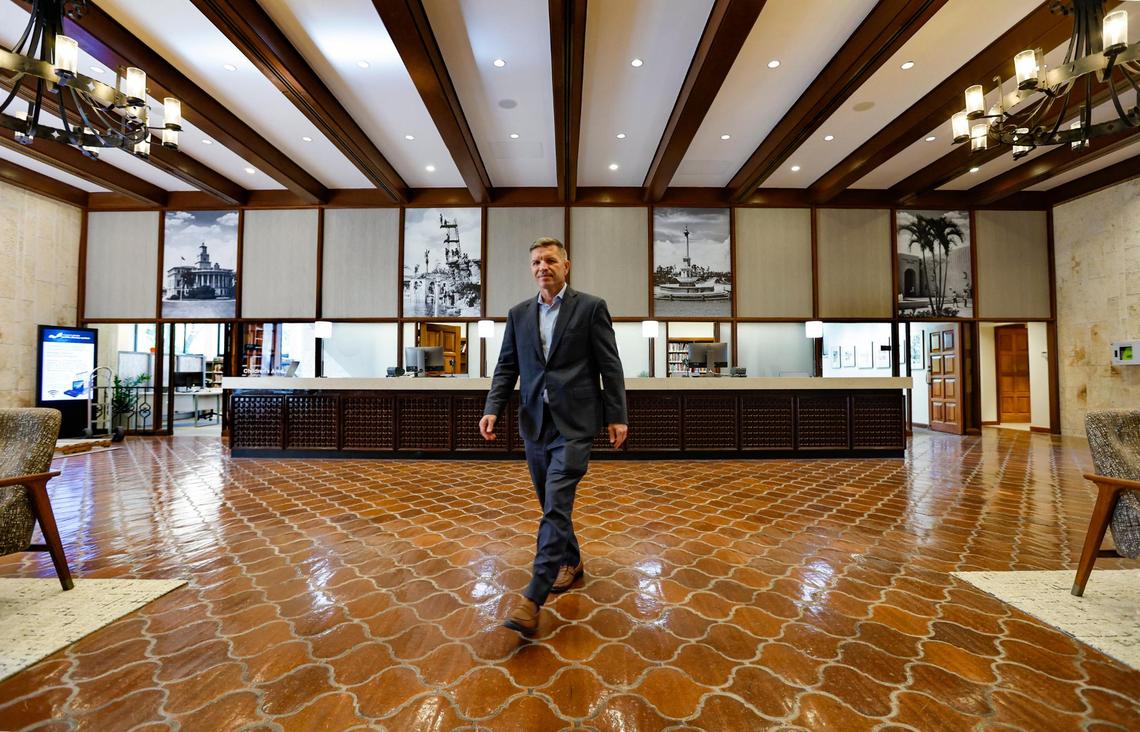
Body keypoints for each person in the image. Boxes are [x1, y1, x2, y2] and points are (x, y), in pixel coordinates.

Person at [480, 236, 628, 636]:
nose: (542, 267)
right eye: (535, 262)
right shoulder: (519, 313)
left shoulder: (591, 307)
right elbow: (506, 366)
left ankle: (533, 598)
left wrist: (617, 415)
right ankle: (573, 561)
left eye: (549, 260)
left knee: (556, 504)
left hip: (576, 424)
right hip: (535, 424)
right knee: (551, 503)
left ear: (566, 265)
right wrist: (493, 408)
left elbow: (609, 365)